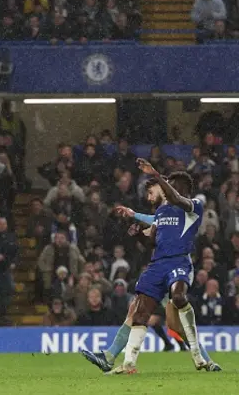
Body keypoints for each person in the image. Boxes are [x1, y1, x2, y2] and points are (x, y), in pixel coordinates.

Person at [86, 159, 211, 374]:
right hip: (157, 267)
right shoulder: (164, 212)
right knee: (136, 310)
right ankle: (114, 357)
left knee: (174, 324)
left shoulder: (191, 206)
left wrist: (155, 174)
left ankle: (205, 359)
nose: (156, 194)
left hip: (177, 265)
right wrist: (139, 226)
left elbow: (173, 199)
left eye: (161, 187)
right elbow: (155, 228)